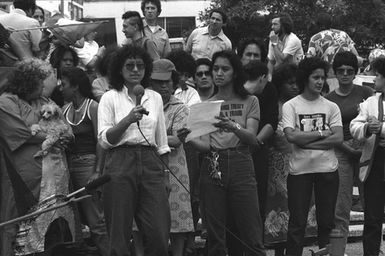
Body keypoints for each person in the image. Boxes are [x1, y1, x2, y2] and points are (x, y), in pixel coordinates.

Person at [188, 50, 265, 256]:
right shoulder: (205, 105)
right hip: (213, 162)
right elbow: (205, 145)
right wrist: (187, 137)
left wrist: (233, 126)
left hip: (241, 160)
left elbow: (253, 140)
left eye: (225, 69)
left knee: (251, 230)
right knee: (215, 233)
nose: (219, 73)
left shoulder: (250, 101)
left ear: (235, 72)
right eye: (216, 69)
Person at [97, 45, 170, 256]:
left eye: (140, 65)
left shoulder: (154, 97)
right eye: (130, 65)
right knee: (119, 236)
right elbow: (105, 140)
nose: (136, 70)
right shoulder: (109, 97)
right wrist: (128, 119)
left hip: (151, 162)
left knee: (159, 234)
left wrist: (165, 177)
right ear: (120, 69)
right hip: (119, 162)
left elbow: (162, 141)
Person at [0, 58, 75, 256]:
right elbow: (20, 133)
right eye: (39, 83)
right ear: (27, 82)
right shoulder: (5, 101)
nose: (43, 87)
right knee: (24, 235)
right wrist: (53, 136)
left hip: (55, 178)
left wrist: (62, 135)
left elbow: (65, 128)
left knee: (53, 233)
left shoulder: (42, 101)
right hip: (25, 180)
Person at [282, 57, 343, 256]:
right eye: (315, 77)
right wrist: (320, 133)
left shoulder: (331, 106)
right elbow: (291, 136)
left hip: (327, 170)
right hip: (300, 171)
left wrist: (304, 139)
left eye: (322, 78)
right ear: (305, 78)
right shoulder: (291, 106)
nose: (319, 81)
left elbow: (338, 138)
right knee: (297, 223)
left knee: (326, 222)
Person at [325, 51, 373, 254]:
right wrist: (346, 147)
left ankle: (371, 250)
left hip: (366, 148)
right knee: (341, 206)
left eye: (349, 71)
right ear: (335, 73)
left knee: (371, 203)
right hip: (341, 150)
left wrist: (361, 147)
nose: (345, 74)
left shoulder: (366, 93)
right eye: (341, 71)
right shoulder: (328, 99)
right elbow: (328, 130)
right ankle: (338, 251)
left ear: (356, 72)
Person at [60, 67, 109, 256]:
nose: (61, 88)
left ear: (76, 86)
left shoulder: (93, 107)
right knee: (82, 220)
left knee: (96, 219)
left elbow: (101, 140)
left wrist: (98, 170)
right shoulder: (65, 110)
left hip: (88, 164)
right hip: (69, 166)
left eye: (64, 84)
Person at [151, 58, 194, 256]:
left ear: (174, 82)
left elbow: (177, 140)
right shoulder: (146, 106)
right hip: (150, 168)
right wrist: (164, 136)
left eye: (167, 82)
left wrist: (149, 138)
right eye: (158, 82)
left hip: (175, 167)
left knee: (177, 221)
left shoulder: (180, 107)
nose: (163, 86)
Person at [350, 57, 385, 256]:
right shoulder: (370, 103)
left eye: (378, 75)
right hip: (375, 164)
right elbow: (354, 126)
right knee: (372, 217)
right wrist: (366, 127)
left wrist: (381, 128)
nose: (373, 79)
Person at [243, 60, 278, 219]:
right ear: (262, 77)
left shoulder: (269, 89)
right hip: (238, 150)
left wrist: (255, 142)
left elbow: (272, 121)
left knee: (259, 195)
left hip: (259, 146)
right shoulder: (237, 92)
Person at [307, 13, 363, 92]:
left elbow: (309, 63)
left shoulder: (315, 38)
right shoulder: (343, 34)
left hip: (328, 78)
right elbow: (357, 58)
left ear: (318, 24)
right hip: (348, 78)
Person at [267, 14, 303, 80]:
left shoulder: (293, 39)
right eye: (272, 24)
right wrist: (269, 79)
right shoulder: (274, 38)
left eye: (275, 24)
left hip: (295, 76)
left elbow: (281, 61)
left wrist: (274, 44)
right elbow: (271, 61)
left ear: (283, 26)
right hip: (282, 74)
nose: (272, 27)